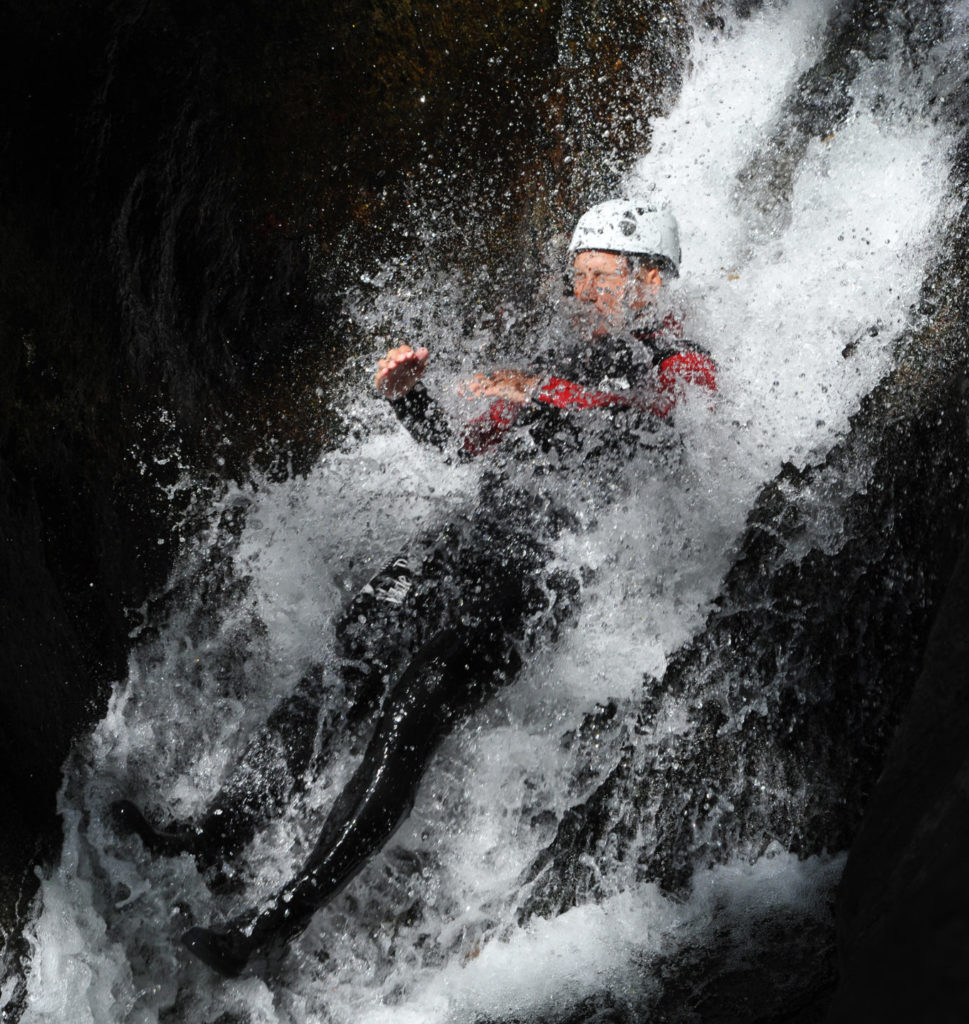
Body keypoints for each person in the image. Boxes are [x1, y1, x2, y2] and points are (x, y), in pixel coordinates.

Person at [113, 198, 716, 977]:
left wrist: (541, 390)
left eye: (599, 277)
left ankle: (271, 925)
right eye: (576, 278)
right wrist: (409, 401)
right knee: (344, 666)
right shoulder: (557, 357)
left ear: (650, 278)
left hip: (544, 573)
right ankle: (216, 835)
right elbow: (463, 451)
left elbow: (677, 417)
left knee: (409, 713)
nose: (582, 294)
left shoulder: (674, 354)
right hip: (464, 541)